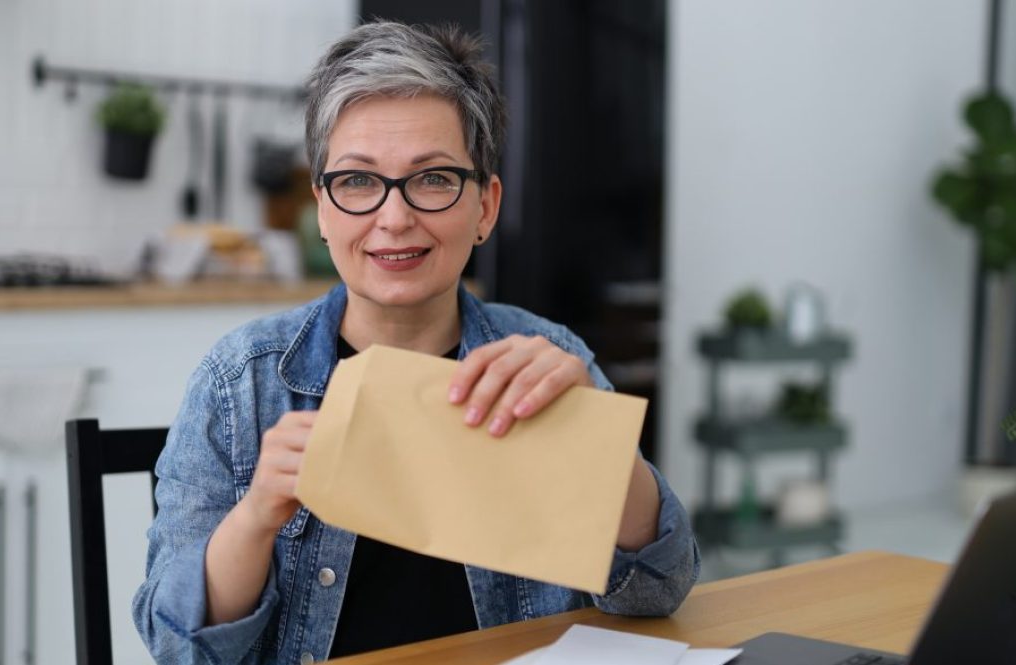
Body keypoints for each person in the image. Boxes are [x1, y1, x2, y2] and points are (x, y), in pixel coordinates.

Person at [132, 20, 699, 664]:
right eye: (358, 181)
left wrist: (595, 448)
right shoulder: (239, 382)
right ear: (322, 208)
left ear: (484, 207)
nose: (393, 217)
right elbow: (177, 646)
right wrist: (258, 514)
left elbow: (661, 591)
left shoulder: (547, 357)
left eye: (432, 179)